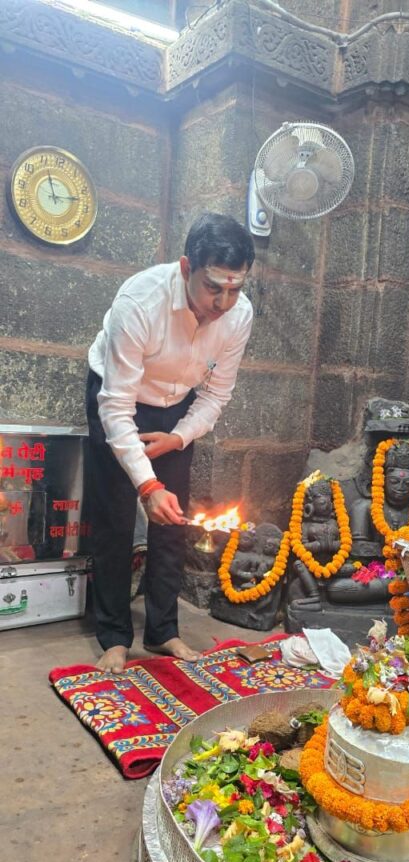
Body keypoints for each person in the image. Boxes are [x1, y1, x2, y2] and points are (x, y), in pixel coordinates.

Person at [86, 212, 255, 672]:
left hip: (177, 408)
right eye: (213, 287)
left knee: (172, 521)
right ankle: (114, 635)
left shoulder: (239, 314)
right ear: (186, 268)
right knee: (116, 518)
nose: (223, 302)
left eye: (234, 289)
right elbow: (115, 407)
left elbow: (216, 395)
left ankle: (163, 630)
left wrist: (179, 437)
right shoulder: (139, 301)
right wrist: (147, 485)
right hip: (118, 396)